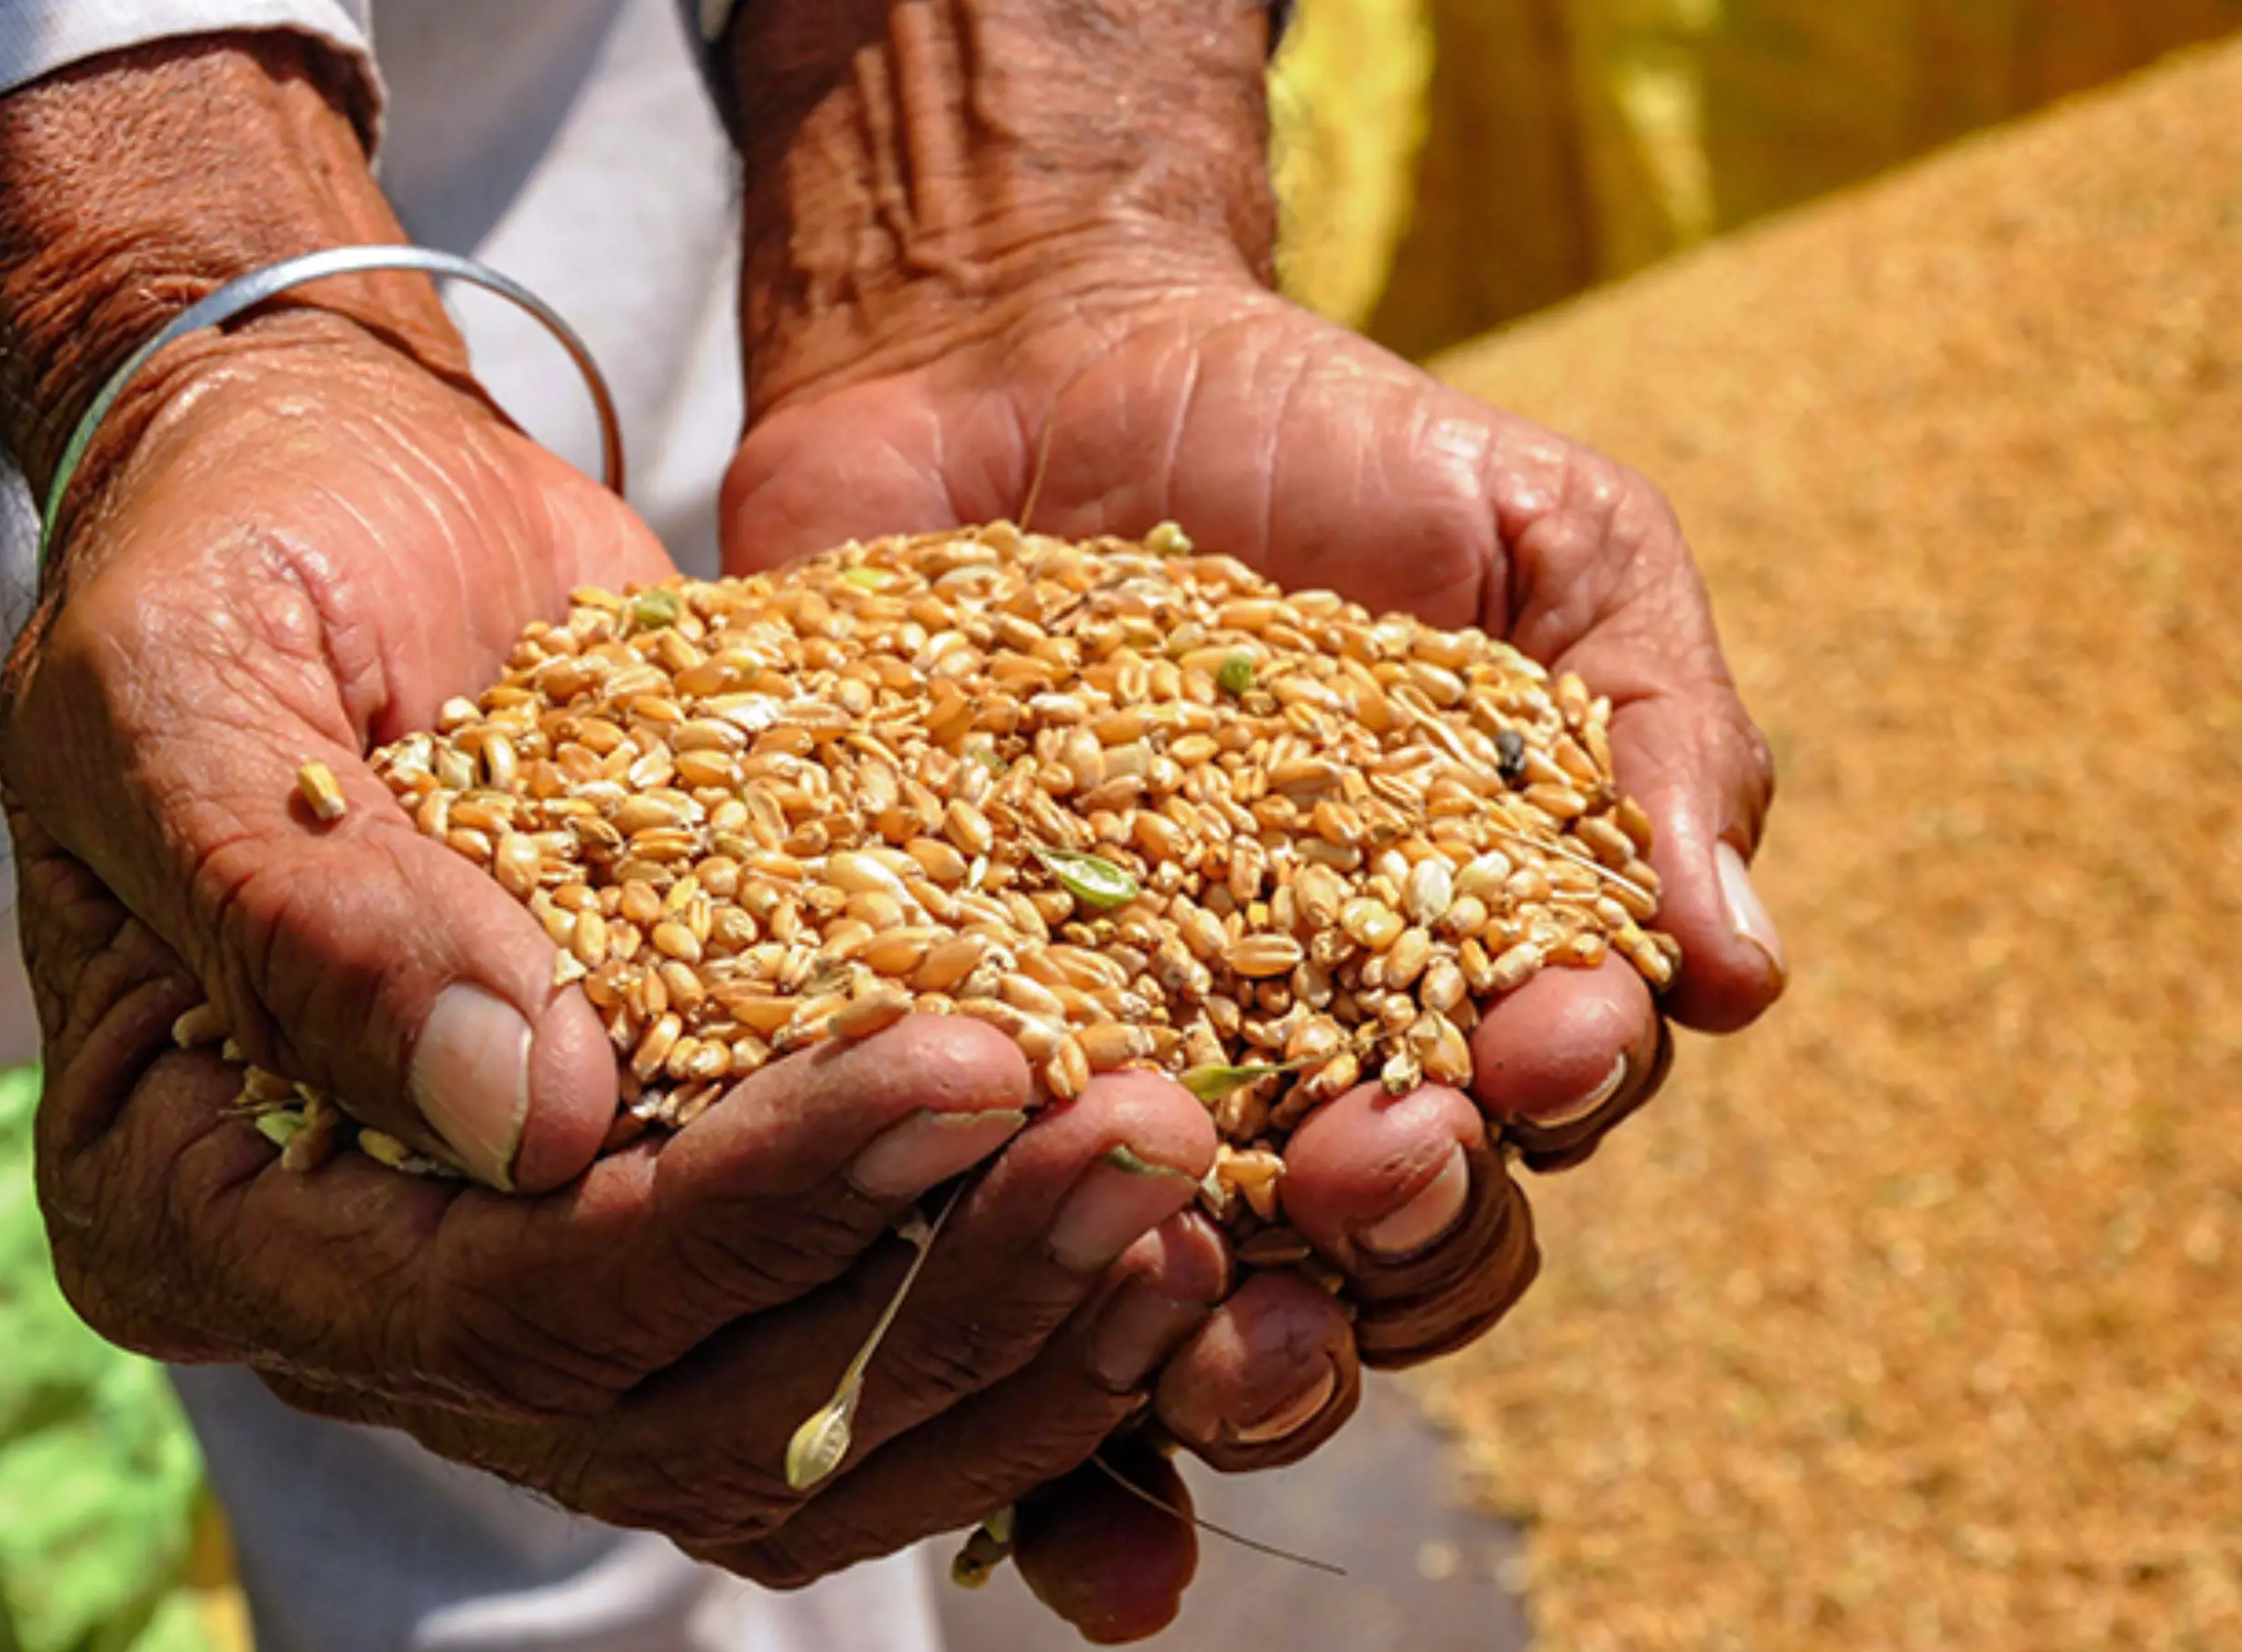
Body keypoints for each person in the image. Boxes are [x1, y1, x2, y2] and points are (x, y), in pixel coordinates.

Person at [0, 3, 1785, 1647]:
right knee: (470, 1264)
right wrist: (170, 315)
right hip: (210, 459)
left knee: (740, 1347)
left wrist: (1026, 172)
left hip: (593, 239)